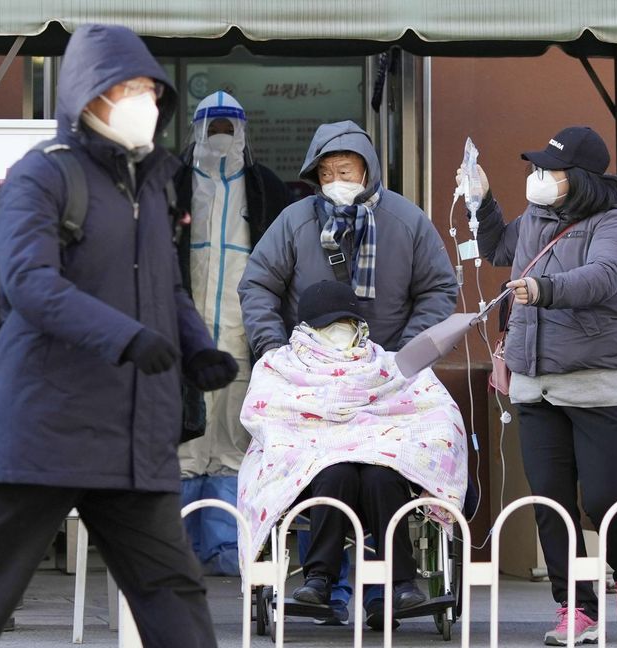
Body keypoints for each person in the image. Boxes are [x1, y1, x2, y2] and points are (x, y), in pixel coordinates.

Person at [0, 24, 238, 648]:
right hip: (47, 429)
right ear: (87, 94)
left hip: (134, 437)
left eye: (148, 88)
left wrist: (198, 347)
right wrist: (127, 338)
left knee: (174, 594)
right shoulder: (43, 177)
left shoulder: (155, 181)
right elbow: (31, 283)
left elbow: (171, 287)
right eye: (125, 87)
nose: (142, 100)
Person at [238, 119, 458, 624]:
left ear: (369, 170)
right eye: (328, 171)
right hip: (311, 378)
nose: (338, 178)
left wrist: (404, 355)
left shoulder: (406, 221)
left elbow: (438, 290)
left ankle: (391, 591)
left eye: (348, 169)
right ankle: (324, 586)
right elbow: (259, 286)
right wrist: (275, 350)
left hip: (388, 382)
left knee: (383, 475)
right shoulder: (295, 222)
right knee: (327, 470)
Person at [465, 126, 617, 646]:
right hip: (535, 382)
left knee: (604, 496)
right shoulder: (535, 219)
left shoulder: (615, 223)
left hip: (599, 382)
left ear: (581, 179)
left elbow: (603, 277)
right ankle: (576, 607)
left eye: (549, 170)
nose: (538, 177)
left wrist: (543, 290)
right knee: (550, 502)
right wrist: (481, 201)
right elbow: (499, 248)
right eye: (536, 169)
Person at [238, 280, 468, 631]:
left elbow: (429, 405)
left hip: (379, 457)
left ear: (359, 326)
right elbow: (267, 413)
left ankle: (402, 583)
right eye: (329, 327)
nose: (339, 333)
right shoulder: (279, 366)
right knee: (336, 473)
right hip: (318, 464)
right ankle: (320, 579)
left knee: (382, 476)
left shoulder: (386, 363)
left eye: (346, 325)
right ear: (307, 330)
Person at [175, 90, 290, 577]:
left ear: (242, 131)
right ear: (197, 130)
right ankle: (176, 548)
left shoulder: (264, 186)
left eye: (229, 127)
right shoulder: (173, 184)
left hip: (243, 338)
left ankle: (225, 546)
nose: (221, 136)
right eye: (212, 127)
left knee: (232, 442)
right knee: (185, 443)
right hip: (186, 340)